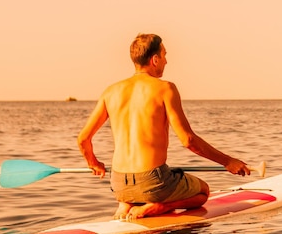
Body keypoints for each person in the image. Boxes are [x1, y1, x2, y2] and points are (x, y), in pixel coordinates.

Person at [77, 33, 250, 220]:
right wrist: (228, 162)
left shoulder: (111, 92)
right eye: (165, 55)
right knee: (203, 192)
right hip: (153, 182)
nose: (166, 61)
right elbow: (189, 141)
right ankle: (159, 206)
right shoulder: (165, 88)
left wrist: (93, 163)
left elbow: (83, 139)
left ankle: (126, 205)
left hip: (118, 184)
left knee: (139, 188)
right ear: (155, 59)